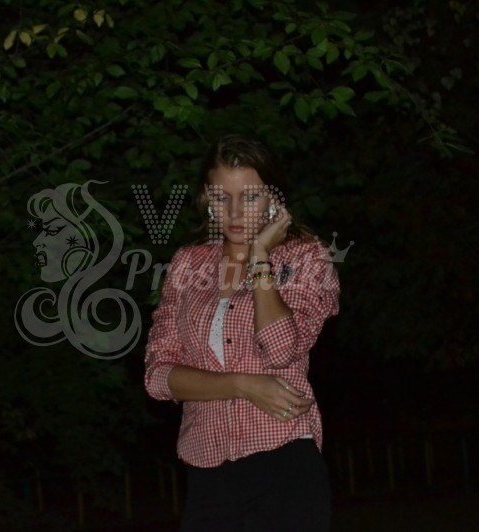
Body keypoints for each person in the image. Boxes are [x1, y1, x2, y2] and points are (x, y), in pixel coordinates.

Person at [144, 134, 340, 531]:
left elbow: (281, 348)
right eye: (221, 197)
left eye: (249, 197)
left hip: (282, 459)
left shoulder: (306, 257)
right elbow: (158, 377)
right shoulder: (187, 265)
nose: (234, 212)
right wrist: (242, 384)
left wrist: (260, 258)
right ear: (206, 198)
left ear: (273, 200)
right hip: (206, 470)